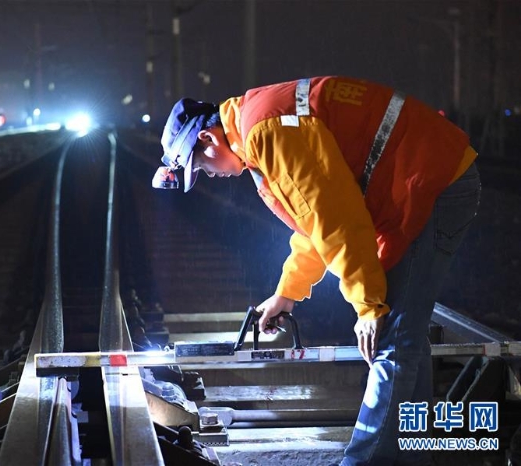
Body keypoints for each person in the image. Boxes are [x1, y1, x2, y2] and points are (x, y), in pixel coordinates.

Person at [152, 76, 481, 466]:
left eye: (203, 168)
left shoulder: (266, 133)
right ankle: (416, 453)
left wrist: (368, 306)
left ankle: (367, 459)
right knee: (404, 337)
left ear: (208, 139)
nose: (211, 175)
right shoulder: (259, 128)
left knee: (391, 333)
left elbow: (335, 219)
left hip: (429, 178)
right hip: (419, 176)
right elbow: (315, 223)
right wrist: (287, 293)